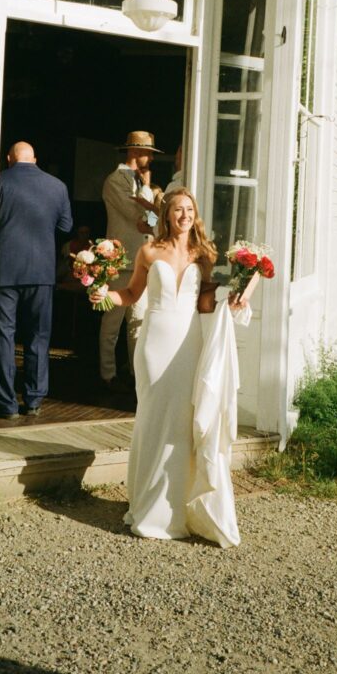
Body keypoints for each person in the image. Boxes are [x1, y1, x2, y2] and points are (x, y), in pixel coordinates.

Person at [91, 187, 255, 547]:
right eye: (177, 209)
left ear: (194, 215)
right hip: (155, 344)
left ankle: (176, 509)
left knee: (183, 422)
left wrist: (234, 304)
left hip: (190, 343)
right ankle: (147, 508)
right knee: (153, 418)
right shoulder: (149, 250)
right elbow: (132, 294)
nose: (183, 215)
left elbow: (207, 302)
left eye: (189, 209)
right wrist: (105, 295)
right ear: (166, 215)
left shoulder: (204, 253)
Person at [0, 141, 73, 420]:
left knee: (4, 337)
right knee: (39, 336)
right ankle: (34, 400)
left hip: (6, 271)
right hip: (42, 271)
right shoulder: (57, 187)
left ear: (9, 159)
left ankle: (6, 403)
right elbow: (65, 226)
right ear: (34, 159)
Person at [99, 130, 160, 389]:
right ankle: (107, 375)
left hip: (142, 261)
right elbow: (139, 217)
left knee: (138, 323)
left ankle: (136, 377)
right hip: (121, 260)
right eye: (148, 153)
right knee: (112, 322)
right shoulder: (115, 181)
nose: (151, 159)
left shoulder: (139, 183)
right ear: (135, 153)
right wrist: (150, 199)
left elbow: (152, 223)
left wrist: (149, 199)